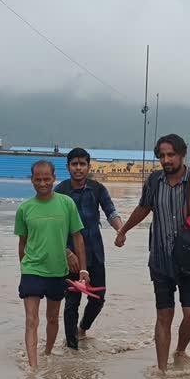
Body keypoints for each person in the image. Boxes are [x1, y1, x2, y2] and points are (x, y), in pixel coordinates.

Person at [115, 133, 190, 373]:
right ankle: (162, 373)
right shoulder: (154, 181)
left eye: (171, 155)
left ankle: (180, 351)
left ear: (182, 155)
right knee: (164, 315)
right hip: (160, 259)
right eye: (162, 156)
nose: (166, 160)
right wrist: (123, 230)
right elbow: (144, 207)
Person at [15, 160, 86, 369]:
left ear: (54, 178)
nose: (42, 183)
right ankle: (33, 368)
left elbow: (78, 237)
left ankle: (47, 353)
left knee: (53, 318)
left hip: (57, 271)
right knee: (31, 320)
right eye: (38, 179)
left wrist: (83, 269)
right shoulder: (24, 209)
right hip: (32, 270)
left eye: (47, 178)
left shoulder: (66, 204)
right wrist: (24, 269)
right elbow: (22, 243)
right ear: (32, 180)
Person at [55, 148, 124, 349]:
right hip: (69, 255)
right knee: (71, 303)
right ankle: (71, 348)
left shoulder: (97, 189)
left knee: (98, 298)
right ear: (68, 167)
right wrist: (66, 253)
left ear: (88, 166)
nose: (78, 168)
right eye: (74, 164)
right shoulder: (60, 191)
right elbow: (55, 226)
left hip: (95, 252)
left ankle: (82, 329)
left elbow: (111, 211)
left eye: (82, 164)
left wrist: (120, 230)